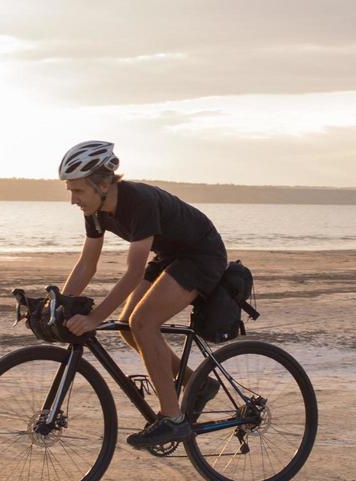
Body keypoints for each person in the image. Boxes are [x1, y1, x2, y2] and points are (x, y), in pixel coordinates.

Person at [56, 141, 229, 447]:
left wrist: (96, 318)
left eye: (78, 191)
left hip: (201, 255)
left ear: (104, 183)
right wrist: (58, 304)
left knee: (143, 323)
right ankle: (196, 384)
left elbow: (134, 271)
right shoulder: (95, 210)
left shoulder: (138, 202)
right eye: (70, 190)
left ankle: (173, 418)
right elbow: (87, 265)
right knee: (129, 328)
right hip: (171, 255)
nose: (73, 199)